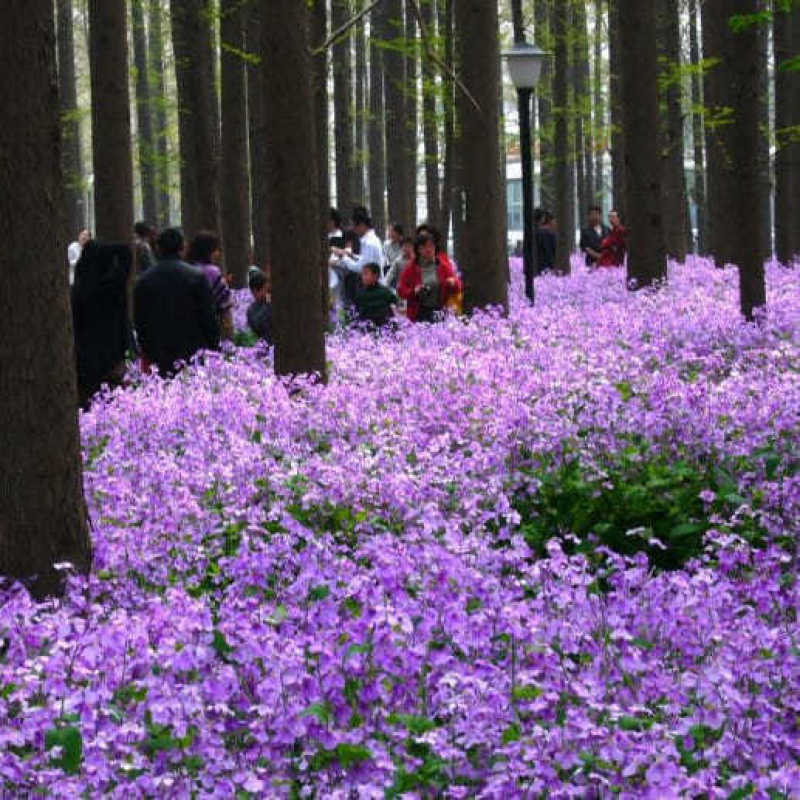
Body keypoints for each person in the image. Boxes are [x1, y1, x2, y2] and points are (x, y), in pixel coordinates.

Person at [134, 227, 220, 375]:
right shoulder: (197, 277)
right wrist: (213, 346)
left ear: (158, 248)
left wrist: (146, 349)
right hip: (192, 354)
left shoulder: (144, 281)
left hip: (158, 355)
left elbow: (140, 321)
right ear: (182, 247)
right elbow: (208, 317)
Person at [71, 241, 132, 408]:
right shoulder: (112, 289)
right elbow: (126, 253)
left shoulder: (75, 292)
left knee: (86, 407)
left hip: (82, 362)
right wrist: (109, 249)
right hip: (111, 358)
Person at [397, 231, 461, 323]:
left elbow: (458, 286)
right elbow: (401, 290)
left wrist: (453, 282)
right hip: (418, 313)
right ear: (418, 250)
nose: (428, 249)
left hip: (440, 311)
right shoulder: (411, 268)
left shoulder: (443, 266)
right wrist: (414, 291)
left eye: (431, 246)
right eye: (424, 247)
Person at [186, 231, 234, 340]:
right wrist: (229, 335)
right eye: (216, 249)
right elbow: (224, 305)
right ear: (208, 251)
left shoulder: (186, 270)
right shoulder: (212, 272)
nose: (218, 253)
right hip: (209, 328)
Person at [355, 263, 398, 328]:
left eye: (366, 274)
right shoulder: (360, 293)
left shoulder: (384, 292)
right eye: (363, 274)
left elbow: (395, 302)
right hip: (367, 328)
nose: (363, 277)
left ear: (375, 276)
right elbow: (357, 310)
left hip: (385, 327)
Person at [246, 267, 273, 344]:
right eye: (266, 289)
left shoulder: (270, 303)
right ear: (255, 290)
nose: (268, 292)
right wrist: (268, 305)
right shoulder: (251, 310)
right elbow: (258, 325)